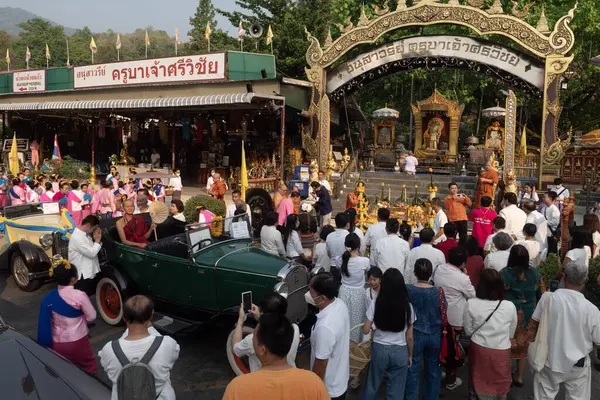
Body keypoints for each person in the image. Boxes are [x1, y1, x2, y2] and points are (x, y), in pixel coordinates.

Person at [529, 261, 600, 400]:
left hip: (548, 360)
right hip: (578, 365)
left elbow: (534, 325)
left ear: (564, 276)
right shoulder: (591, 310)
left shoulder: (548, 298)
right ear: (585, 280)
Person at [225, 313, 329, 400]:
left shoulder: (237, 388)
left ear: (262, 349)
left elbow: (236, 349)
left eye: (254, 335)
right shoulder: (314, 383)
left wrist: (240, 322)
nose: (252, 339)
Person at [100, 295, 180, 400]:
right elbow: (173, 355)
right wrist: (150, 328)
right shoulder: (168, 344)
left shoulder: (108, 350)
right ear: (152, 315)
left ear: (124, 317)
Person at [463, 269, 517, 400]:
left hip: (479, 347)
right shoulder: (509, 306)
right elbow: (511, 331)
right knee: (500, 382)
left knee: (477, 378)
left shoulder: (471, 303)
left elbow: (468, 331)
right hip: (501, 349)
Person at [361, 269, 415, 400]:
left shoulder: (376, 302)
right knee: (396, 390)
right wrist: (410, 355)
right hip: (400, 350)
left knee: (372, 385)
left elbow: (366, 330)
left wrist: (373, 324)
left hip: (379, 349)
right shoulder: (408, 306)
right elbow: (409, 337)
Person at [37, 259, 97, 374]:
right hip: (78, 341)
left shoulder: (49, 297)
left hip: (57, 344)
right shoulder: (79, 295)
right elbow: (92, 316)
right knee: (89, 366)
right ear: (74, 279)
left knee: (65, 371)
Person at [432, 246, 476, 390]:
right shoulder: (462, 278)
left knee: (440, 346)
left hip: (439, 315)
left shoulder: (438, 269)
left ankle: (439, 372)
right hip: (455, 319)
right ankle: (451, 380)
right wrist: (465, 275)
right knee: (452, 349)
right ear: (463, 263)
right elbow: (472, 296)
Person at [501, 244, 542, 387]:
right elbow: (540, 294)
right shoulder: (535, 273)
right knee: (523, 344)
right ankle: (519, 376)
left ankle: (505, 374)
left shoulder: (504, 273)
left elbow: (497, 294)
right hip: (528, 313)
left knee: (507, 342)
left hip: (508, 312)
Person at [232, 292, 300, 373]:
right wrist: (261, 317)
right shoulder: (294, 329)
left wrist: (240, 321)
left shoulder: (254, 339)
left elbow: (235, 349)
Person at [307, 273, 350, 400]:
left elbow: (320, 365)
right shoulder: (340, 304)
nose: (309, 294)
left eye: (311, 291)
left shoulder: (325, 327)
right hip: (340, 379)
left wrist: (313, 391)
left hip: (328, 390)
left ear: (323, 298)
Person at [405, 259, 444, 400]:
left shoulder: (408, 289)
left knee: (412, 368)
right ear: (430, 273)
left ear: (414, 272)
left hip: (414, 334)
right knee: (433, 370)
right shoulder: (438, 291)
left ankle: (411, 397)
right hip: (435, 334)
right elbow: (443, 310)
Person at [338, 233, 370, 342]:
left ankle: (342, 343)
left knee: (342, 320)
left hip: (343, 292)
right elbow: (368, 271)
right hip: (358, 294)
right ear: (358, 246)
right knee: (356, 322)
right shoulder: (364, 261)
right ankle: (355, 346)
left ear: (345, 245)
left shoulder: (340, 259)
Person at [68, 215, 102, 295]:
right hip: (82, 276)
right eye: (94, 228)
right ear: (88, 226)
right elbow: (91, 253)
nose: (94, 231)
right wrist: (97, 240)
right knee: (82, 300)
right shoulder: (77, 237)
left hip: (89, 273)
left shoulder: (85, 234)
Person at [326, 213, 350, 281]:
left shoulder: (329, 236)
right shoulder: (349, 236)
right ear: (348, 224)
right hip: (346, 267)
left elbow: (329, 254)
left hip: (333, 266)